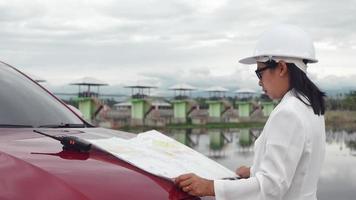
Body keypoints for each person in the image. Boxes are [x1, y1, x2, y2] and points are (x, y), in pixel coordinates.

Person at [175, 24, 326, 200]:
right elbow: (295, 166)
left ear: (282, 68)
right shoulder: (310, 105)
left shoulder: (289, 113)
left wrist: (210, 187)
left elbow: (271, 187)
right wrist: (254, 171)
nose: (259, 82)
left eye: (259, 72)